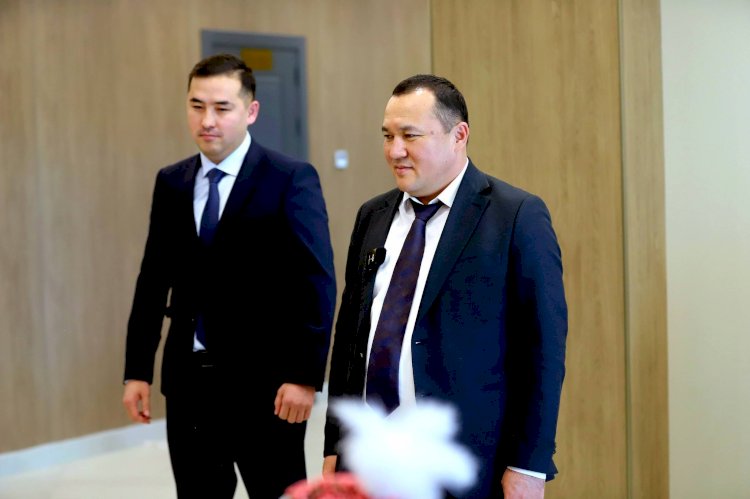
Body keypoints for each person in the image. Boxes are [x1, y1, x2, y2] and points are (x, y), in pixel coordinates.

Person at [323, 74, 567, 499]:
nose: (394, 151)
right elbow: (349, 341)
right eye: (388, 136)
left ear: (459, 135)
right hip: (369, 456)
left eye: (410, 136)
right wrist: (333, 445)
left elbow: (543, 350)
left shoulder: (515, 216)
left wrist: (529, 465)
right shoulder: (373, 216)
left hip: (465, 461)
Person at [122, 53, 336, 498]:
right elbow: (153, 279)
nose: (208, 120)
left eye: (222, 108)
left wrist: (304, 376)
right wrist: (137, 370)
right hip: (189, 386)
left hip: (267, 388)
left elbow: (316, 283)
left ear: (251, 111)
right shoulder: (172, 182)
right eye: (197, 106)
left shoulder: (289, 178)